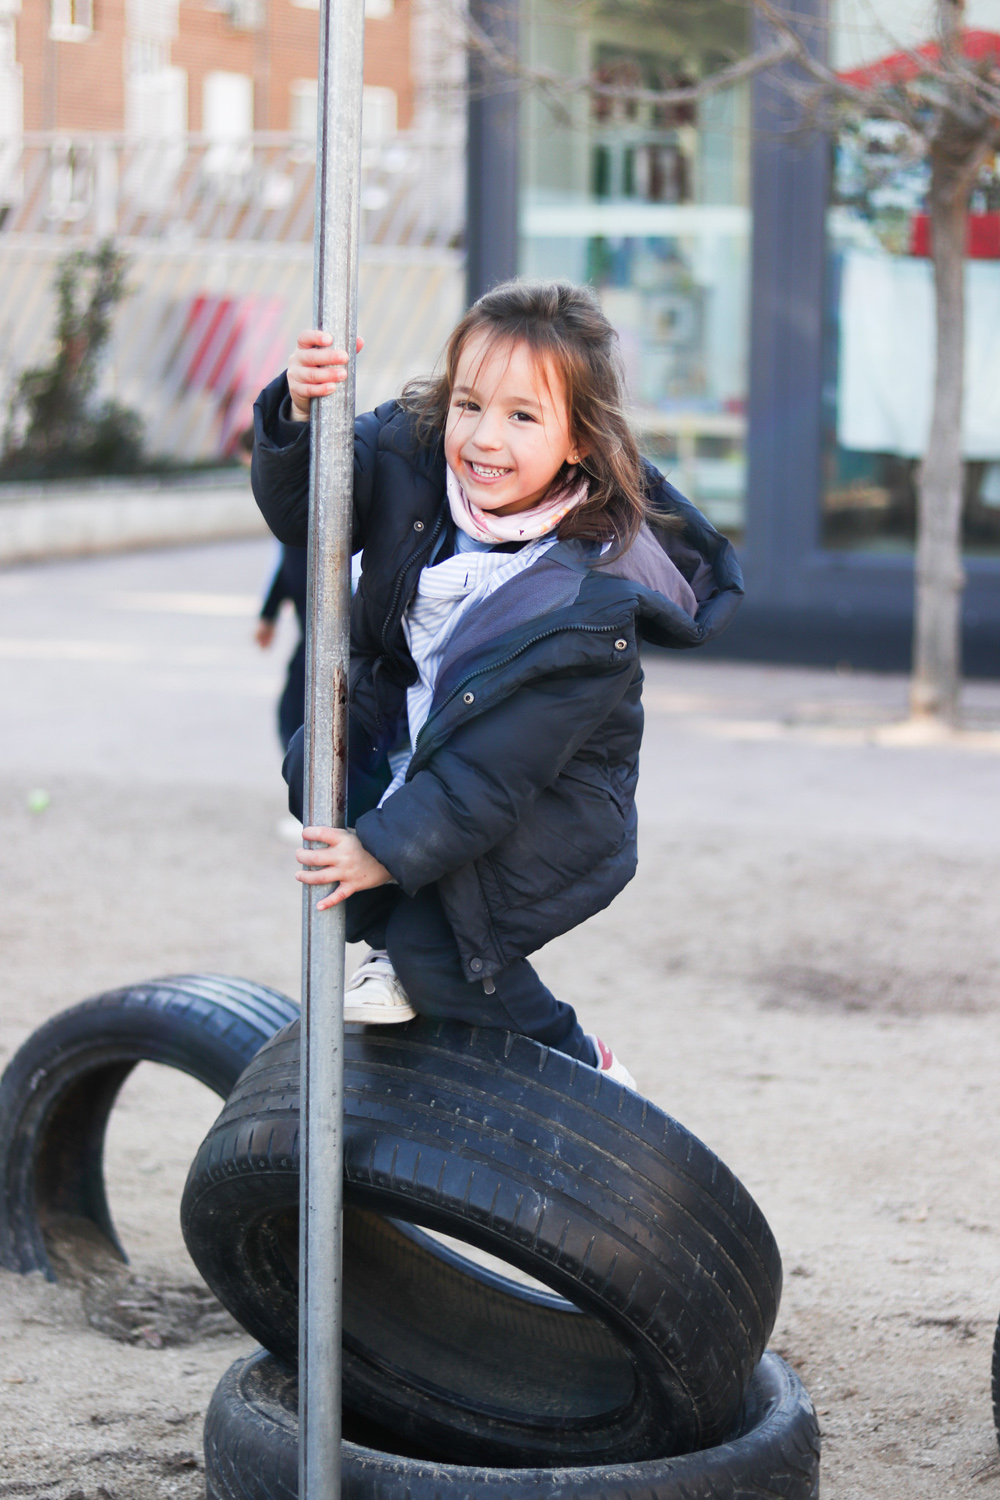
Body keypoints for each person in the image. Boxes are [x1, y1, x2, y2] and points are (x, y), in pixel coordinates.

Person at [251, 280, 743, 1089]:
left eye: (523, 416)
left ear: (579, 439)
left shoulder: (590, 601)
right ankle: (397, 955)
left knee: (445, 951)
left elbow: (492, 771)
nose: (483, 439)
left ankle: (584, 1070)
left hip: (543, 808)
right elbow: (310, 510)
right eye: (470, 404)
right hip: (424, 728)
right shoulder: (411, 450)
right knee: (319, 766)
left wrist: (382, 849)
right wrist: (299, 415)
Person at [255, 545, 308, 751]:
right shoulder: (296, 538)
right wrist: (269, 613)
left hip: (356, 644)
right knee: (292, 718)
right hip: (311, 644)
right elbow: (291, 560)